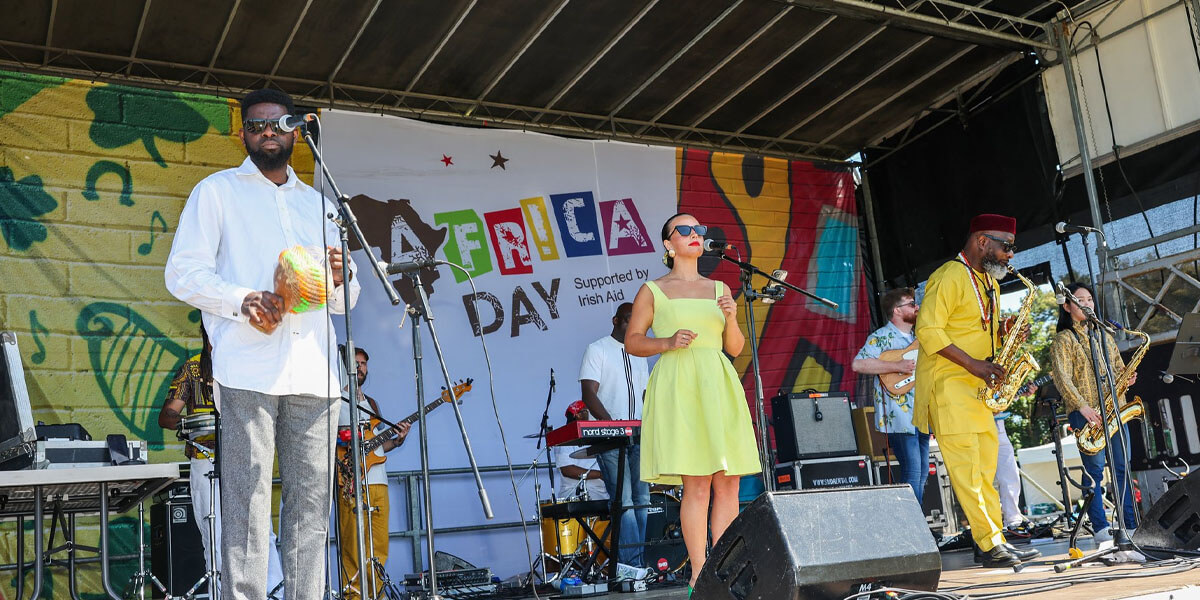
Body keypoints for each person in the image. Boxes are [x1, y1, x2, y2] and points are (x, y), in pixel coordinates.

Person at [165, 88, 361, 600]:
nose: (266, 133)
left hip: (315, 373)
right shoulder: (217, 192)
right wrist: (242, 298)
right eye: (256, 125)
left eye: (276, 124)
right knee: (247, 504)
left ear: (296, 130)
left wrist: (341, 276)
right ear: (243, 133)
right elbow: (182, 273)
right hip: (248, 369)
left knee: (311, 507)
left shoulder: (320, 204)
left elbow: (348, 300)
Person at [626, 213, 760, 595]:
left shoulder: (719, 286)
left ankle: (726, 566)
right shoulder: (653, 289)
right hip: (680, 385)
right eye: (684, 230)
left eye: (700, 229)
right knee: (697, 484)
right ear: (668, 244)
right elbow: (633, 341)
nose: (695, 234)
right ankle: (700, 571)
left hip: (717, 383)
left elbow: (734, 348)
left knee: (729, 482)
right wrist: (666, 343)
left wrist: (732, 319)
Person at [912, 214, 1040, 568]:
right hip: (950, 387)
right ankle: (991, 542)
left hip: (978, 391)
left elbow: (979, 328)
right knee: (969, 473)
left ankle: (990, 544)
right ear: (982, 241)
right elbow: (929, 331)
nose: (1010, 255)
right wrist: (974, 365)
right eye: (1006, 247)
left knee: (985, 471)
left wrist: (1006, 330)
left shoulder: (990, 284)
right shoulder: (948, 276)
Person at [158, 324, 286, 598]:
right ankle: (224, 594)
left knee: (261, 530)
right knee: (214, 536)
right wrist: (188, 422)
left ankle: (275, 592)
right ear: (207, 335)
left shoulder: (244, 366)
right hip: (205, 459)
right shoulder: (191, 369)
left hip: (245, 457)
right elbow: (167, 416)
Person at [1050, 283, 1139, 543]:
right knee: (1095, 471)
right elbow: (1061, 377)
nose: (1087, 303)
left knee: (1123, 467)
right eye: (1080, 300)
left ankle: (1130, 525)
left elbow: (1118, 368)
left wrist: (1127, 377)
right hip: (1086, 414)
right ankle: (1100, 527)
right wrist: (1082, 406)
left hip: (1115, 411)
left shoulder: (1103, 335)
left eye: (1089, 299)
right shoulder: (1063, 339)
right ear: (1067, 307)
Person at [579, 302, 650, 569]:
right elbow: (588, 393)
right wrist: (612, 426)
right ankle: (631, 566)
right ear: (615, 320)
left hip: (640, 436)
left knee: (643, 499)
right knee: (625, 500)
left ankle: (640, 563)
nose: (633, 326)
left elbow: (645, 396)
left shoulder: (640, 354)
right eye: (627, 321)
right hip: (610, 438)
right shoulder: (597, 350)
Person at [336, 347, 410, 600]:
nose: (360, 368)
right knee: (352, 546)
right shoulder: (334, 401)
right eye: (355, 363)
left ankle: (375, 594)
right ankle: (354, 598)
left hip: (379, 481)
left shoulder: (372, 403)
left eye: (364, 364)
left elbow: (378, 444)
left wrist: (398, 440)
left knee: (379, 546)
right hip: (350, 482)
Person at [852, 288, 928, 504]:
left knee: (922, 473)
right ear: (897, 310)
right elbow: (858, 364)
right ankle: (913, 527)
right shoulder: (881, 337)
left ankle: (919, 523)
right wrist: (897, 365)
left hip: (921, 412)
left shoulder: (918, 337)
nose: (916, 307)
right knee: (912, 471)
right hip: (899, 416)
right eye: (911, 303)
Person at [553, 401, 609, 501]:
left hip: (601, 492)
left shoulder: (596, 433)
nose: (592, 414)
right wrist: (601, 474)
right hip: (575, 493)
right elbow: (567, 470)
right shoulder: (564, 437)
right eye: (587, 411)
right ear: (578, 415)